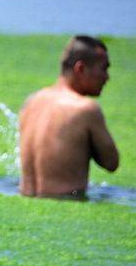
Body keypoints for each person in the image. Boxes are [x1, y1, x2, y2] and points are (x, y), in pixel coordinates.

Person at [18, 35, 120, 198]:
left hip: (25, 201)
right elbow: (111, 163)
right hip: (67, 202)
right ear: (80, 69)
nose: (107, 77)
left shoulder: (31, 102)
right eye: (104, 68)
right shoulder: (86, 109)